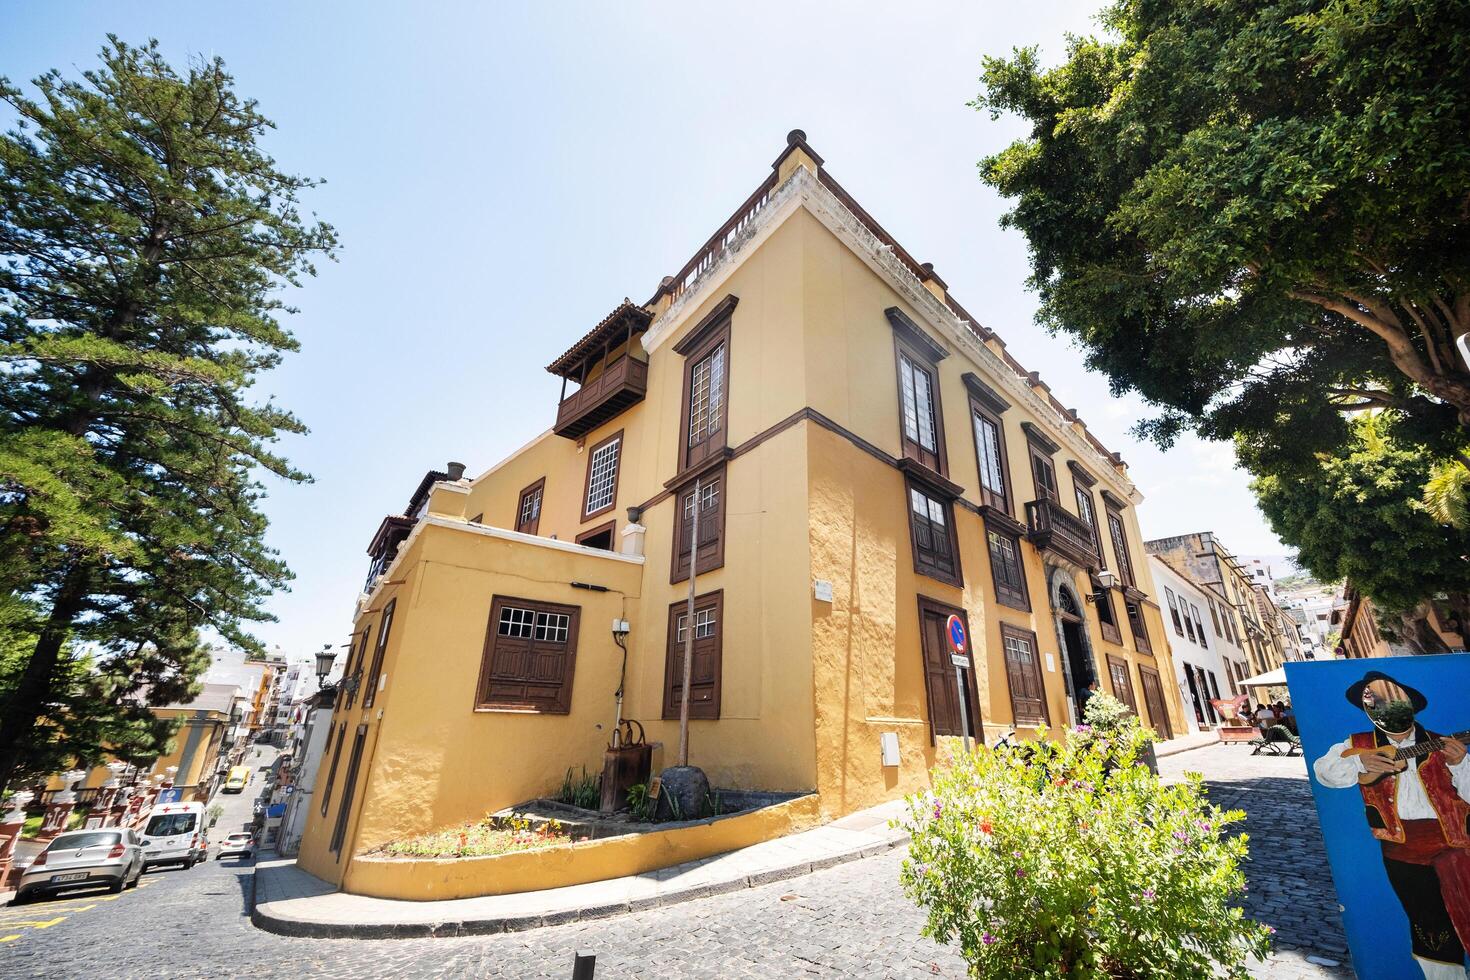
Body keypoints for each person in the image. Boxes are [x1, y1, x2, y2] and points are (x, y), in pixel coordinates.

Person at [1312, 671, 1470, 979]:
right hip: (1401, 851)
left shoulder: (1442, 743)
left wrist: (1461, 764)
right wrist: (1360, 763)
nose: (1385, 706)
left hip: (1456, 844)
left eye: (1393, 699)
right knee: (1428, 925)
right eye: (1374, 700)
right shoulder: (1357, 745)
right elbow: (1325, 773)